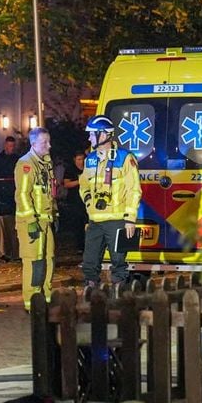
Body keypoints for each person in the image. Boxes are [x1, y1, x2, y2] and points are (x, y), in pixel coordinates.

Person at [79, 116, 141, 288]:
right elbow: (84, 185)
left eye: (92, 134)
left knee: (118, 262)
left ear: (104, 135)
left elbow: (133, 189)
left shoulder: (125, 158)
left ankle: (119, 295)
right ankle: (91, 295)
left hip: (117, 220)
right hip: (95, 221)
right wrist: (89, 201)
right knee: (89, 262)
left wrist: (130, 219)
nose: (89, 138)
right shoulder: (90, 159)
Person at [14, 128, 57, 310]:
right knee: (35, 261)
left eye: (48, 141)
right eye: (44, 143)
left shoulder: (45, 163)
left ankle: (45, 298)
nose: (49, 146)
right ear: (33, 144)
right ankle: (32, 302)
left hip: (45, 221)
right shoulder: (26, 164)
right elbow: (22, 195)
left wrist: (54, 213)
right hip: (32, 223)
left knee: (49, 258)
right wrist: (31, 220)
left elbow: (49, 193)